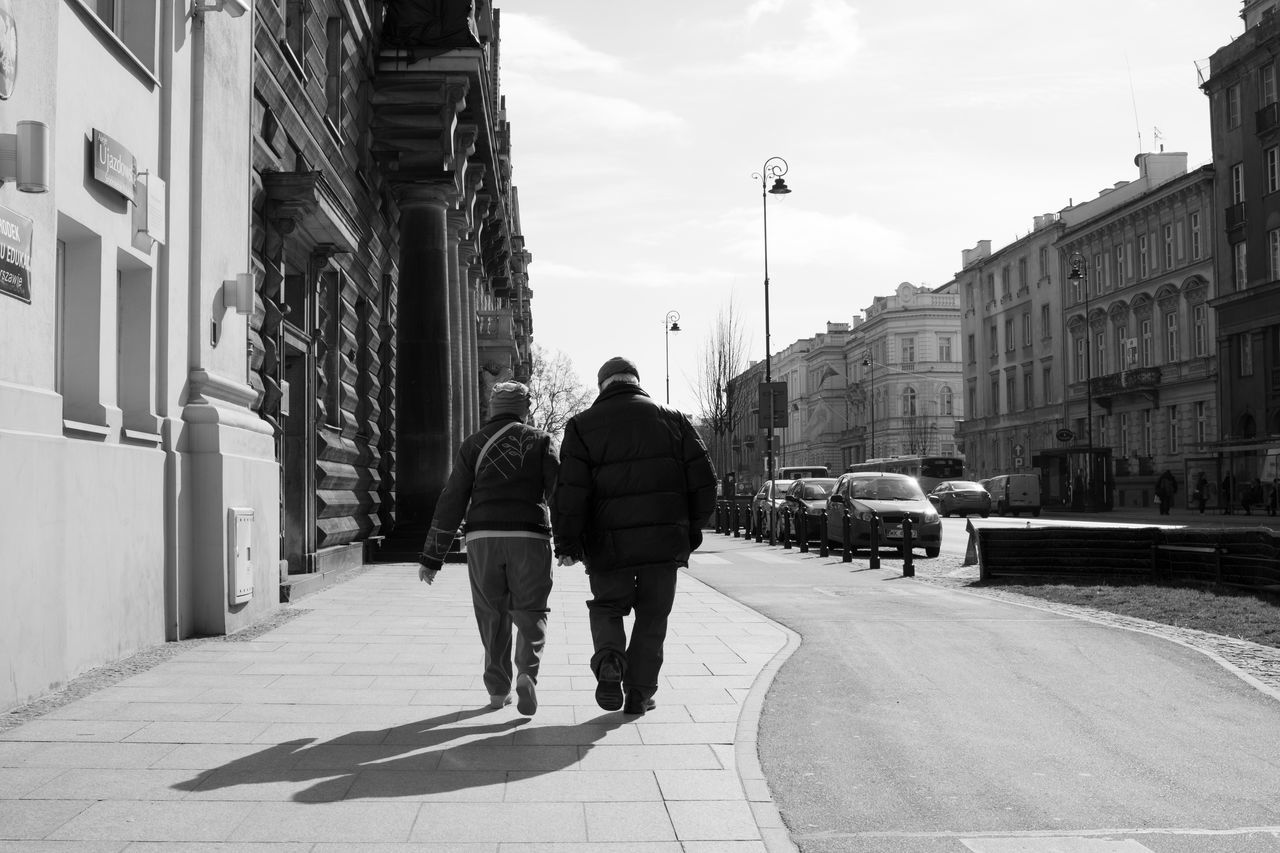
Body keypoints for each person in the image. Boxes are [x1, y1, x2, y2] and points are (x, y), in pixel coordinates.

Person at [553, 357, 717, 717]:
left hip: (606, 545)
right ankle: (640, 694)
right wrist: (689, 532)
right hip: (663, 545)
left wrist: (567, 542)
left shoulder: (581, 426)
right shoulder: (674, 419)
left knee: (608, 606)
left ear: (603, 387)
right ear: (636, 381)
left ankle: (611, 659)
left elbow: (569, 491)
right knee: (653, 617)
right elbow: (706, 483)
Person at [417, 381, 560, 716]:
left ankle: (498, 691)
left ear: (493, 407)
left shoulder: (473, 443)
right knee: (531, 610)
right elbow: (560, 493)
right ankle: (527, 673)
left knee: (491, 614)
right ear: (525, 406)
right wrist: (569, 545)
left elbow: (452, 499)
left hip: (482, 539)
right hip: (530, 538)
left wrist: (432, 557)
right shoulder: (542, 441)